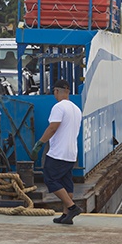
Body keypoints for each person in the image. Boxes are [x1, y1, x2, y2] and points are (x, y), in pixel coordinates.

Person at [34, 79, 83, 224]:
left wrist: (40, 143)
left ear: (56, 91)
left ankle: (72, 207)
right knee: (66, 182)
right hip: (71, 153)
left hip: (58, 153)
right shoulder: (76, 109)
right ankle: (66, 215)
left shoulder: (59, 107)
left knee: (50, 179)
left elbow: (53, 127)